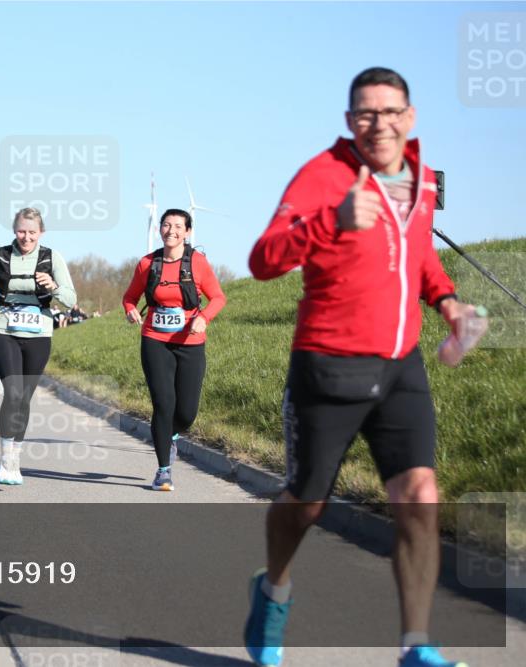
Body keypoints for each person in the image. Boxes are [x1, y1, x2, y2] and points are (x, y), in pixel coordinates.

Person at [244, 67, 474, 667]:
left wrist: (447, 303)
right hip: (329, 364)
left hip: (401, 365)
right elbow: (264, 258)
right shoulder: (323, 176)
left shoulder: (420, 181)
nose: (380, 124)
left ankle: (416, 645)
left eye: (391, 112)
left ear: (411, 116)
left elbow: (420, 252)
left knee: (420, 494)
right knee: (307, 504)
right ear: (350, 122)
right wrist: (331, 223)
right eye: (366, 114)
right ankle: (273, 591)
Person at [123, 208, 226, 491]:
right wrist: (131, 310)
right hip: (155, 340)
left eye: (178, 226)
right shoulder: (147, 263)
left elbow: (218, 297)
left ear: (188, 232)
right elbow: (130, 297)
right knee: (163, 404)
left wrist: (203, 319)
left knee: (186, 412)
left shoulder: (198, 263)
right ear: (160, 229)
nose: (172, 231)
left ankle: (173, 435)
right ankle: (163, 471)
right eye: (166, 225)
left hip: (190, 343)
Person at [0, 207, 76, 485]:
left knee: (24, 398)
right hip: (3, 327)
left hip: (39, 332)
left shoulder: (52, 257)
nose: (26, 237)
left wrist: (54, 286)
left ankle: (15, 457)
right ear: (14, 230)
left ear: (41, 232)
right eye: (22, 231)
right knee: (13, 392)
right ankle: (6, 457)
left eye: (32, 232)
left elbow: (70, 299)